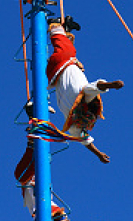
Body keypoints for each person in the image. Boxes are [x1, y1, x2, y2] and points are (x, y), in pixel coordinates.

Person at [46, 16, 123, 163]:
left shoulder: (83, 98)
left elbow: (96, 87)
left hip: (64, 63)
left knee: (67, 49)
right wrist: (98, 154)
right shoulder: (72, 122)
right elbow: (84, 139)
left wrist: (112, 85)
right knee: (67, 47)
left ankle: (54, 25)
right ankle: (65, 28)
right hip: (55, 73)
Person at [14, 139, 69, 221]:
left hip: (39, 203)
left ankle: (32, 146)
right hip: (44, 204)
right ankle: (32, 146)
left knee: (21, 175)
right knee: (21, 175)